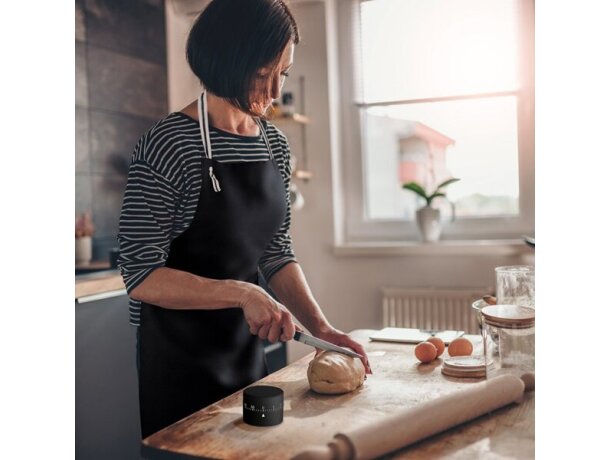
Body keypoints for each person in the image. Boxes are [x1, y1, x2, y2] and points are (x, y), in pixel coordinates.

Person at [117, 0, 371, 439]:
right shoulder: (168, 145)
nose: (274, 92)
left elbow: (276, 254)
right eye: (261, 75)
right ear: (224, 62)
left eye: (284, 73)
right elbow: (140, 273)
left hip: (250, 357)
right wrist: (241, 292)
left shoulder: (274, 145)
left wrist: (322, 327)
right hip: (178, 365)